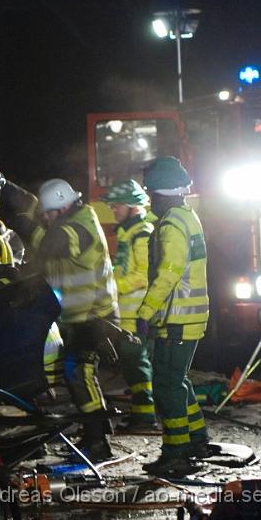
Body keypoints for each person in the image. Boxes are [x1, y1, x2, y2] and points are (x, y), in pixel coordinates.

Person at [14, 178, 119, 460]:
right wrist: (3, 187)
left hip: (95, 316)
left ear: (62, 207)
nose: (45, 219)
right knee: (79, 374)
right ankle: (97, 430)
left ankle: (97, 442)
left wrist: (22, 223)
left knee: (78, 373)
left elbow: (48, 245)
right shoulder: (69, 222)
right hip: (81, 316)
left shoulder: (80, 225)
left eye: (48, 214)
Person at [137, 157, 210, 477]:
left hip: (177, 317)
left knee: (166, 385)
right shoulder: (187, 216)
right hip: (188, 316)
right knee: (177, 380)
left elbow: (168, 273)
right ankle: (196, 440)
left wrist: (145, 312)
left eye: (152, 193)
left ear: (163, 193)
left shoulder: (170, 224)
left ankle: (176, 452)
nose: (150, 199)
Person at [103, 179, 158, 432]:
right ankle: (141, 413)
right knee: (131, 364)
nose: (113, 211)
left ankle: (146, 417)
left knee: (137, 363)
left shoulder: (142, 233)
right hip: (128, 314)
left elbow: (143, 276)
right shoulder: (129, 232)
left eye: (117, 206)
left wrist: (113, 286)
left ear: (132, 206)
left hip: (137, 314)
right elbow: (127, 268)